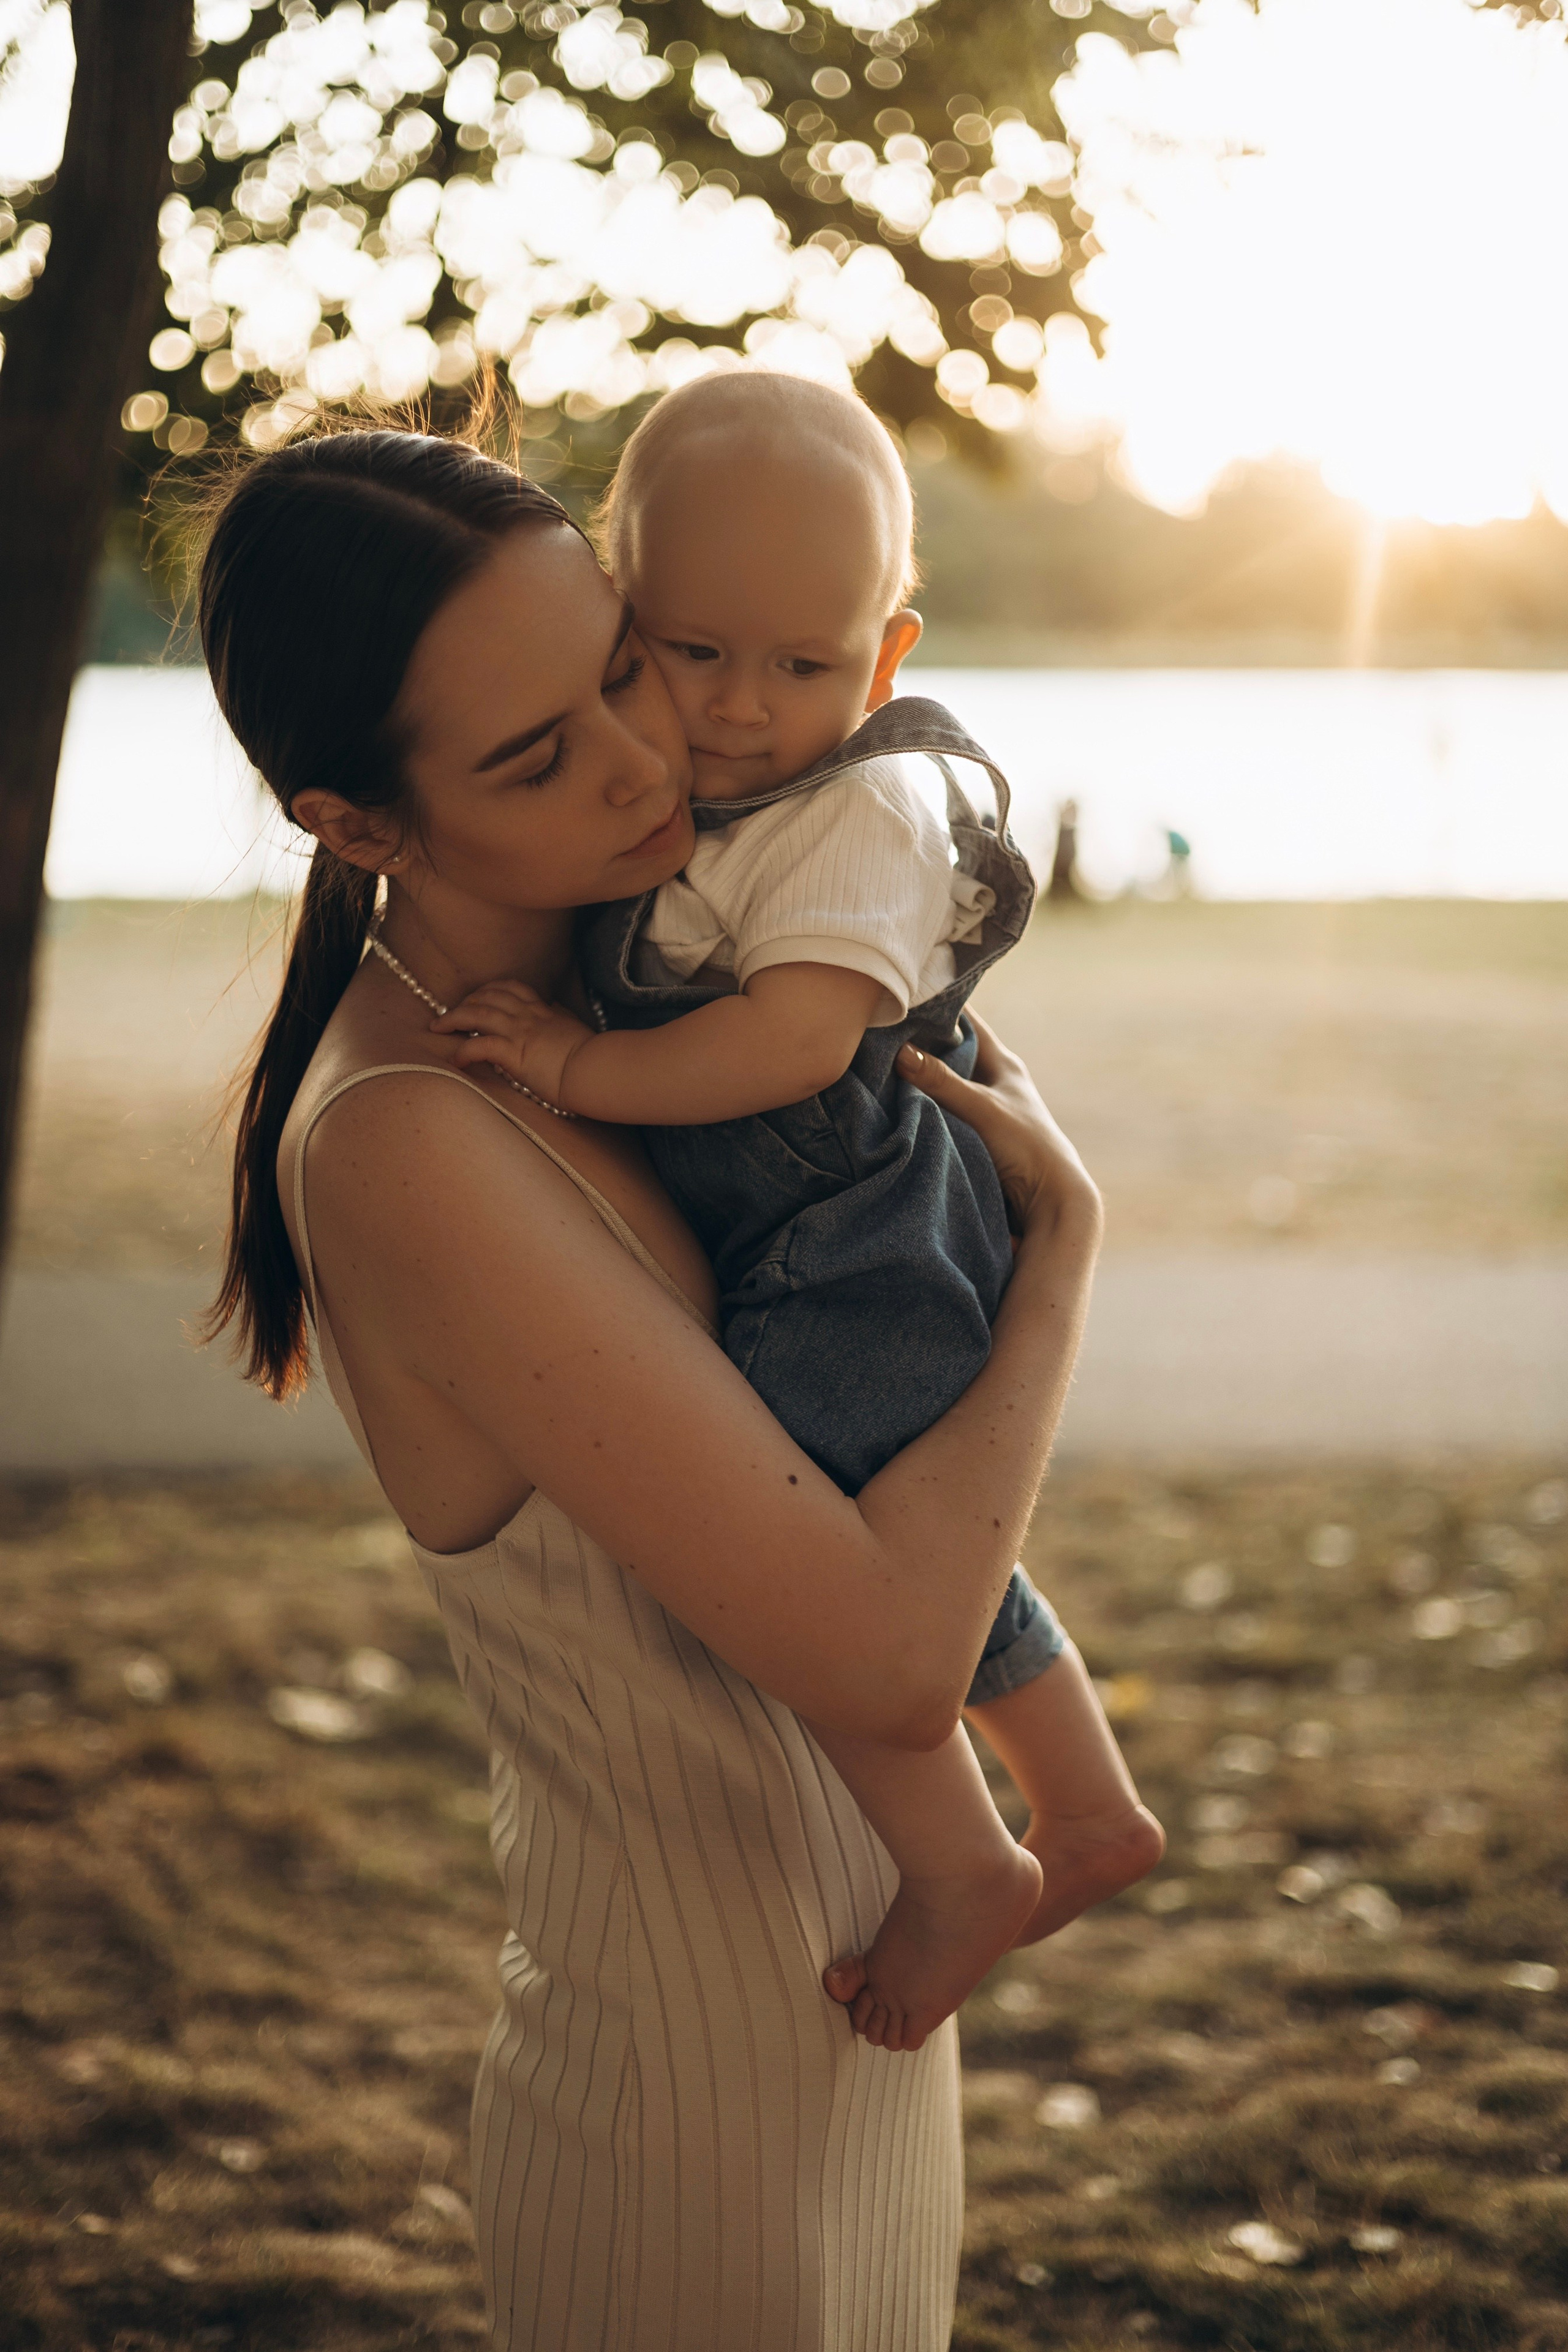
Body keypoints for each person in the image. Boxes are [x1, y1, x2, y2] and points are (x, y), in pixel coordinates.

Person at [202, 424, 1114, 2351]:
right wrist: (1063, 1268)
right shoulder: (412, 1137)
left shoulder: (675, 998)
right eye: (537, 753)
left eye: (625, 665)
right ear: (358, 823)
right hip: (690, 2107)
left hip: (858, 2019)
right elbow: (881, 1658)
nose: (643, 758)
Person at [431, 372, 1161, 2055]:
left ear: (886, 660)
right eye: (695, 654)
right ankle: (1090, 1802)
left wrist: (571, 1066)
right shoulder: (723, 799)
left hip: (858, 1219)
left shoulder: (859, 811)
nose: (747, 709)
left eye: (805, 665)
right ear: (623, 614)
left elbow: (797, 1039)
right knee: (898, 1488)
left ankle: (968, 1861)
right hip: (840, 1215)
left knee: (834, 1547)